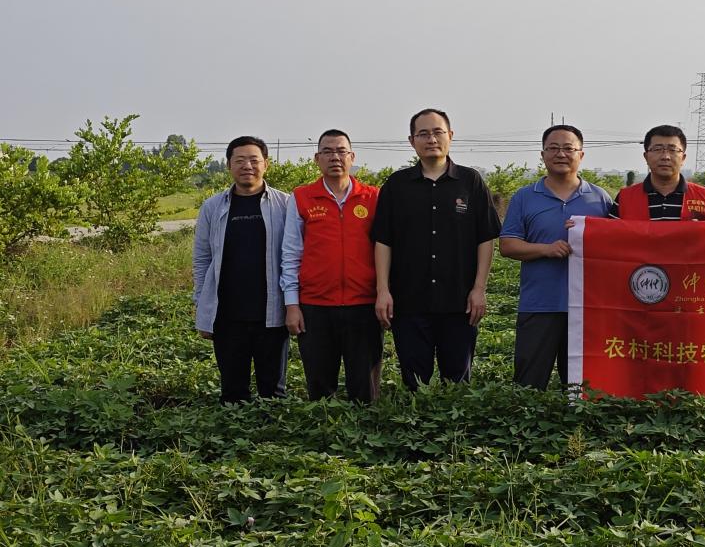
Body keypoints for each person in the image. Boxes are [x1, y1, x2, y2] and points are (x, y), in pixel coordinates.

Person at [372, 109, 501, 388]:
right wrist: (383, 290)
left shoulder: (470, 182)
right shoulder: (397, 185)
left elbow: (485, 238)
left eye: (437, 132)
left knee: (457, 384)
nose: (431, 139)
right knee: (414, 383)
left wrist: (479, 289)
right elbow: (383, 240)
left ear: (450, 136)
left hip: (460, 302)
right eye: (423, 134)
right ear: (412, 141)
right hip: (409, 301)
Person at [499, 125, 613, 389]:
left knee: (582, 388)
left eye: (568, 148)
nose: (561, 154)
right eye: (553, 148)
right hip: (539, 304)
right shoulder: (525, 197)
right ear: (542, 155)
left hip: (588, 307)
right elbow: (507, 245)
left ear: (581, 154)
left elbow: (617, 246)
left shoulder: (600, 199)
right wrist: (546, 249)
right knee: (529, 385)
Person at [280, 129, 382, 403]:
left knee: (365, 390)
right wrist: (292, 305)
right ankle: (323, 430)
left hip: (364, 305)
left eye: (341, 151)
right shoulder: (302, 197)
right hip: (315, 307)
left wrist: (385, 294)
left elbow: (386, 250)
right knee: (320, 389)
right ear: (317, 159)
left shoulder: (373, 197)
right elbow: (291, 254)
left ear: (352, 157)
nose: (335, 157)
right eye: (327, 152)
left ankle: (365, 428)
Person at [192, 136, 291, 403]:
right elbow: (202, 259)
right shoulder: (212, 206)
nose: (247, 166)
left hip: (272, 314)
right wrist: (202, 305)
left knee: (273, 393)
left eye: (254, 160)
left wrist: (294, 304)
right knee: (232, 393)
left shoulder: (285, 204)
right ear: (229, 165)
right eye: (240, 160)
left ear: (266, 164)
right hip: (227, 315)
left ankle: (270, 431)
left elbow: (294, 257)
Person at [610, 125, 705, 220]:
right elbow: (611, 234)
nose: (665, 157)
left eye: (673, 150)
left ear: (683, 158)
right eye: (657, 149)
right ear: (646, 157)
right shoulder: (624, 198)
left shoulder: (704, 197)